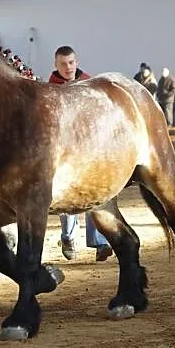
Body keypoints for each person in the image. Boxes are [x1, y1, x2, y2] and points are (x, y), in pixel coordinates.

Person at [48, 46, 113, 262]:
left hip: (89, 149)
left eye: (71, 62)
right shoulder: (49, 89)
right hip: (63, 153)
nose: (68, 67)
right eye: (63, 64)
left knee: (96, 194)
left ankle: (100, 242)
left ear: (76, 62)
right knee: (67, 197)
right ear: (55, 66)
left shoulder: (89, 84)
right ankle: (68, 238)